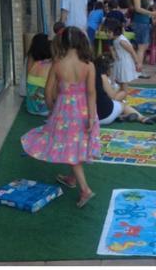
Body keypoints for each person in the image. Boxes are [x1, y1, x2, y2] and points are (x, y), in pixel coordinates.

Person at [21, 26, 100, 208]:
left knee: (69, 147)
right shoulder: (88, 64)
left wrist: (51, 110)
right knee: (78, 145)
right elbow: (91, 92)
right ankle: (72, 177)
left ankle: (85, 189)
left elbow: (48, 92)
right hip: (85, 111)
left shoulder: (57, 63)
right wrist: (90, 116)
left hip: (64, 112)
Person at [94, 55, 156, 125]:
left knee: (115, 103)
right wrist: (122, 89)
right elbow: (113, 97)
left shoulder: (89, 75)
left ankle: (121, 116)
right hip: (104, 116)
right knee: (122, 105)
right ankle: (142, 118)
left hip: (89, 118)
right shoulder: (102, 75)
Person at [105, 19, 140, 93]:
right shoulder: (115, 40)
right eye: (106, 32)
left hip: (124, 63)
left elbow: (132, 51)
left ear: (115, 31)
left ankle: (124, 97)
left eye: (109, 32)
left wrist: (137, 63)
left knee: (123, 82)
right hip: (120, 62)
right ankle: (122, 96)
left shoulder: (121, 41)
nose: (107, 34)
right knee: (120, 81)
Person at [25, 33, 52, 116]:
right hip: (45, 110)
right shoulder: (50, 64)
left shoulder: (33, 61)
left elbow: (28, 75)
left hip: (30, 109)